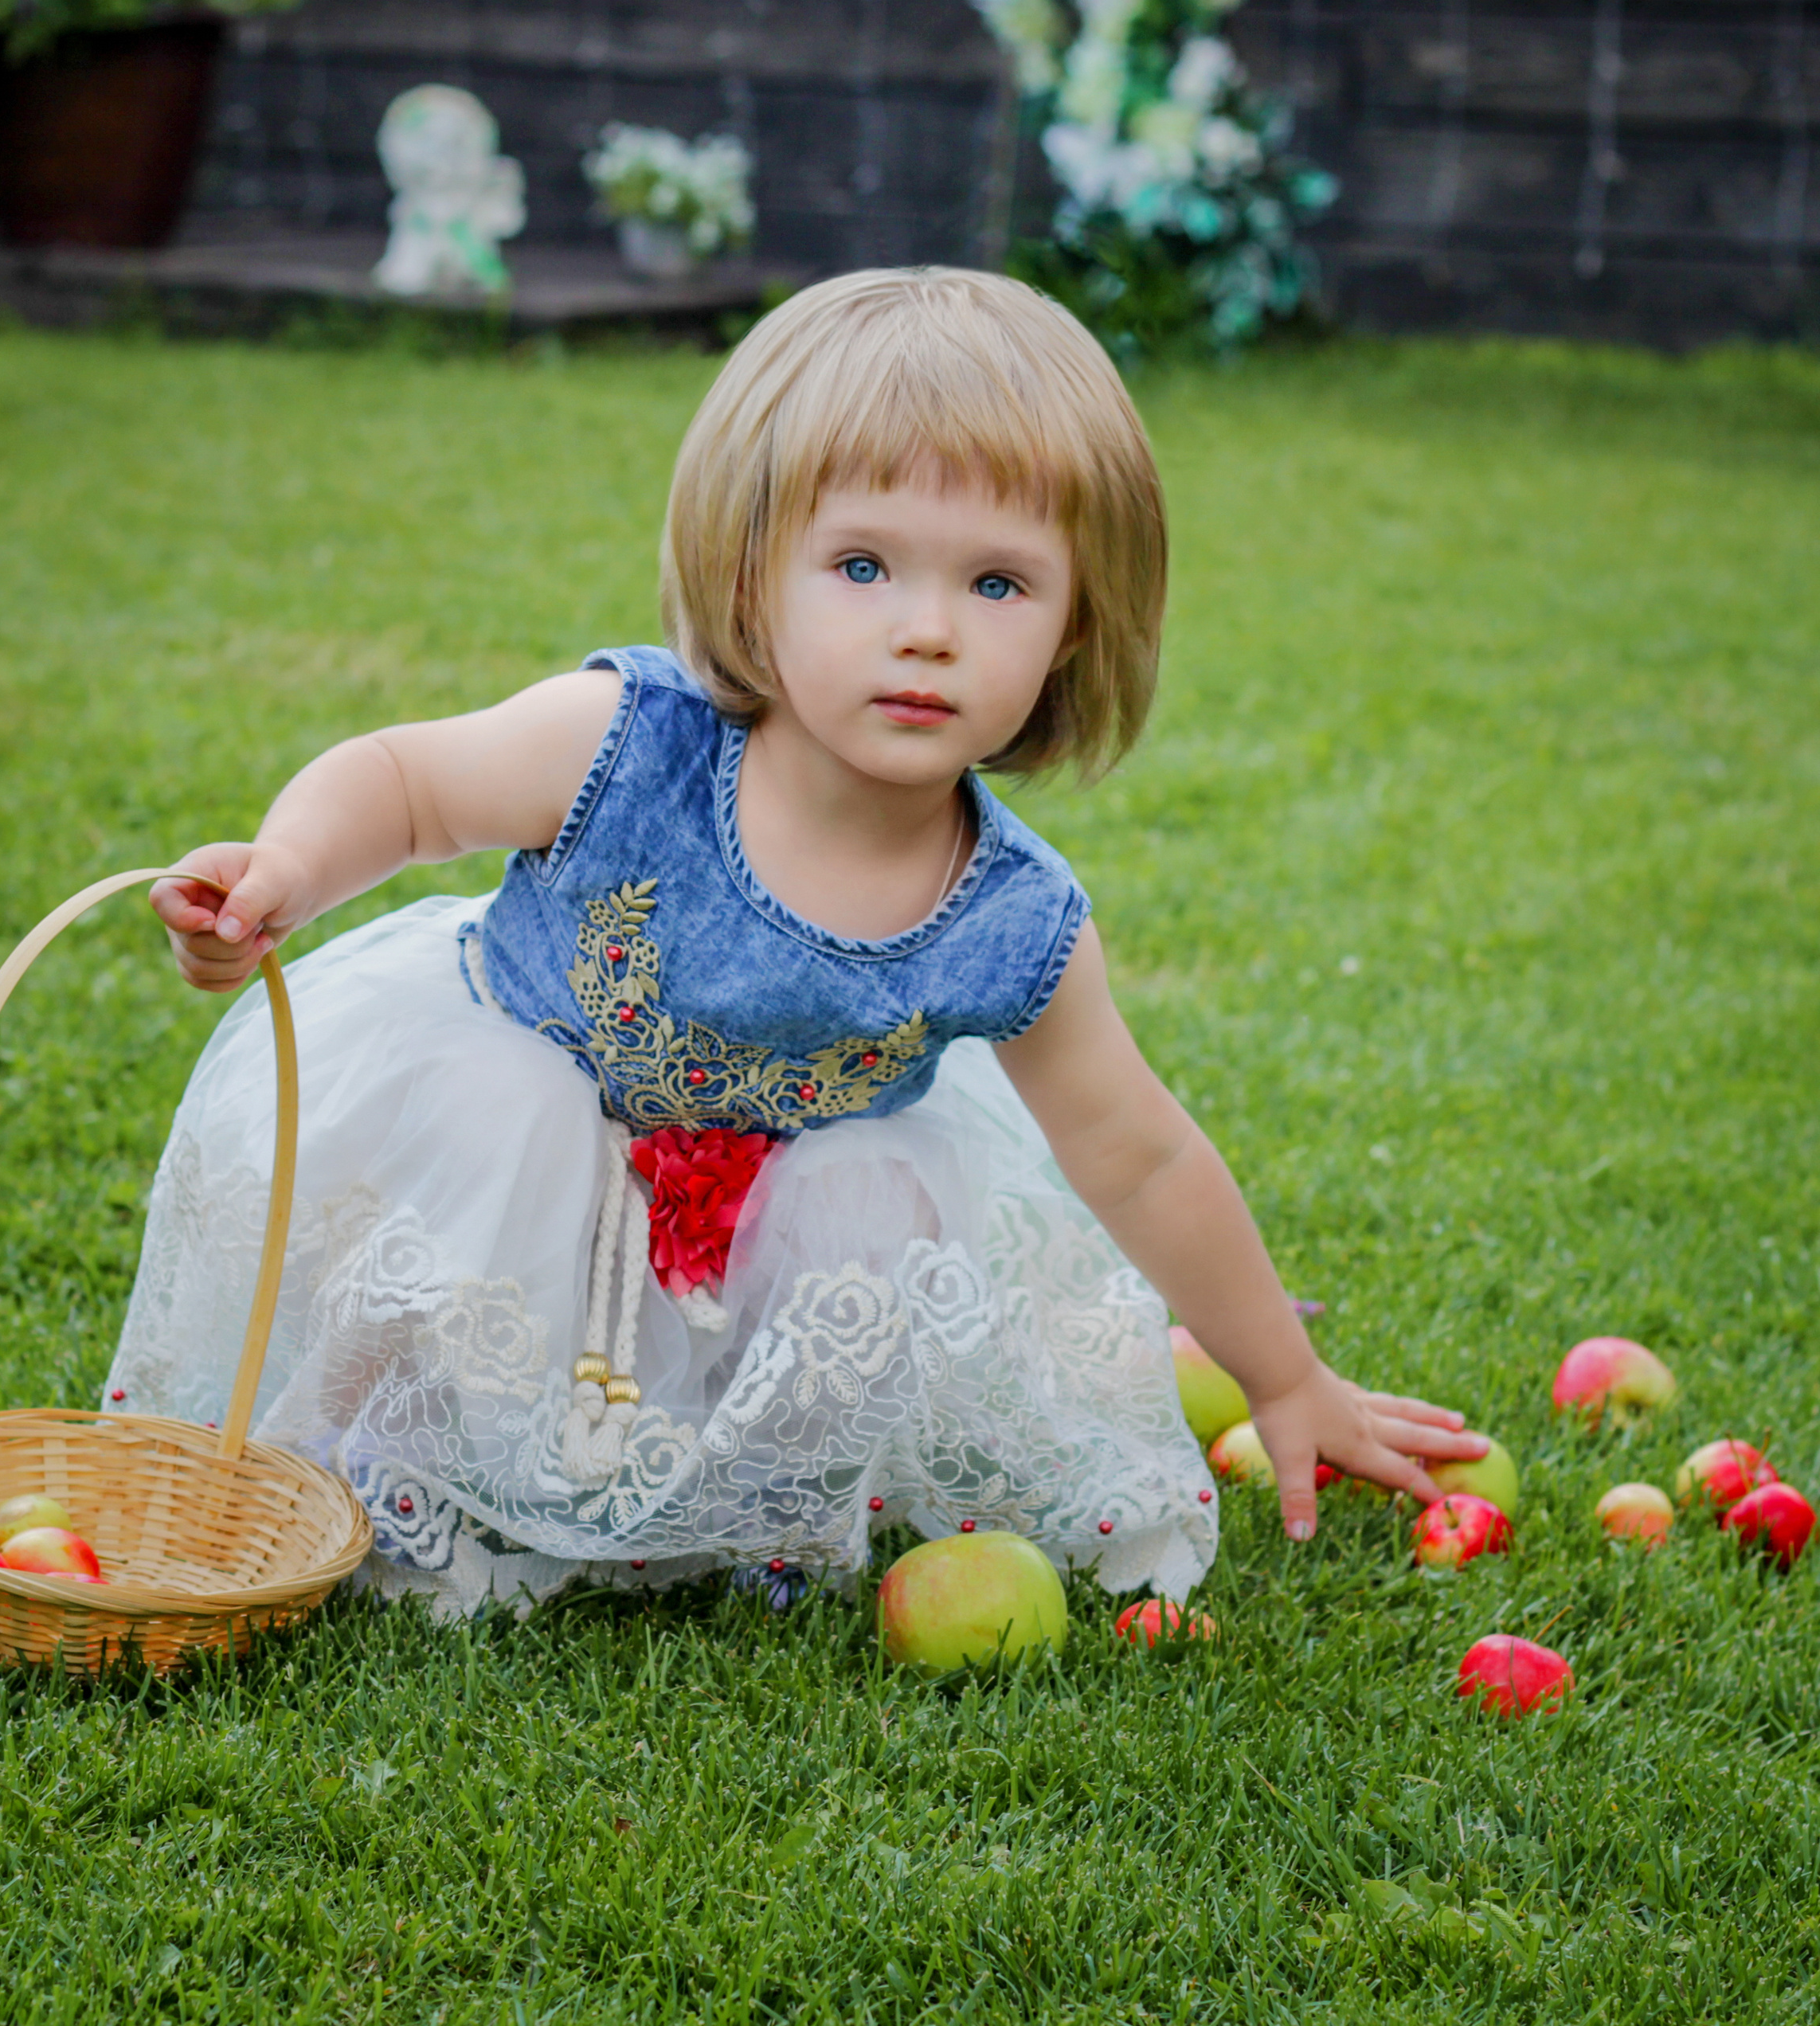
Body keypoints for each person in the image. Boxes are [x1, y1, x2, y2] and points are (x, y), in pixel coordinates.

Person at [108, 268, 1485, 1618]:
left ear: (1078, 628)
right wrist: (286, 871)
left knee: (876, 1199)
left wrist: (1283, 1377)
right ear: (753, 574)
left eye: (1000, 584)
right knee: (495, 1116)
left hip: (748, 1227)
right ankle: (388, 1466)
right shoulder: (627, 748)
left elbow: (1142, 1154)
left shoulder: (1012, 919)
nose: (928, 631)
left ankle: (751, 1508)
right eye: (863, 566)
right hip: (523, 1146)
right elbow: (409, 784)